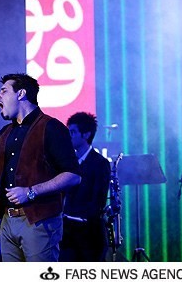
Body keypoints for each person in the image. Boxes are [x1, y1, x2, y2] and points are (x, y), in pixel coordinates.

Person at [0, 73, 81, 261]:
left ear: (21, 93)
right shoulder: (6, 132)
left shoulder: (51, 127)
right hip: (8, 221)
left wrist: (31, 192)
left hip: (39, 220)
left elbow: (73, 175)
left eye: (4, 91)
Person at [59, 111, 111, 262]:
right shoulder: (68, 162)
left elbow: (98, 202)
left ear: (86, 134)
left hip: (89, 236)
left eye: (73, 132)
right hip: (67, 235)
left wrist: (73, 217)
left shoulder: (100, 163)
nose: (69, 136)